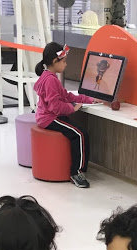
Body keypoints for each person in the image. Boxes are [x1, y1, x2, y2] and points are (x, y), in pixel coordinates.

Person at [34, 42, 96, 188]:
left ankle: (78, 169)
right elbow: (55, 107)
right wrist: (72, 108)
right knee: (80, 134)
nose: (66, 65)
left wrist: (88, 99)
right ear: (55, 61)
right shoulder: (50, 80)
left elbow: (66, 95)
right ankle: (76, 173)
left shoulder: (50, 76)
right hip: (49, 118)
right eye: (64, 61)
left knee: (79, 132)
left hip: (48, 116)